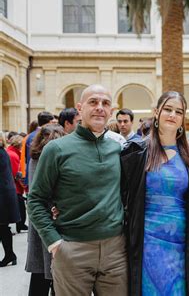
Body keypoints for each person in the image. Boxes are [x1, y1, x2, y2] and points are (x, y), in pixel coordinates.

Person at [28, 84, 127, 295]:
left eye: (105, 103)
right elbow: (36, 199)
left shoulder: (118, 149)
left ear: (111, 111)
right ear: (80, 108)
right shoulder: (56, 149)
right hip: (73, 250)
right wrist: (54, 242)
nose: (100, 107)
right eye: (93, 102)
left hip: (115, 252)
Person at [121, 91, 189, 295]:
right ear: (156, 113)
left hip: (181, 244)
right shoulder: (136, 151)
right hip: (147, 242)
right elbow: (119, 191)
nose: (173, 114)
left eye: (178, 111)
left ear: (183, 119)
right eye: (168, 109)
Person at [25, 124, 66, 296]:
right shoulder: (50, 158)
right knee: (57, 277)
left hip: (39, 224)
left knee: (40, 274)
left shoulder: (34, 158)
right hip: (52, 222)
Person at [0, 131, 21, 267]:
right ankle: (10, 254)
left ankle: (9, 254)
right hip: (5, 192)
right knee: (2, 226)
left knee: (2, 226)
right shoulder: (3, 152)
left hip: (2, 193)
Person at [6, 135, 27, 233]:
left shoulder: (10, 153)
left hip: (13, 186)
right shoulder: (13, 155)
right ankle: (20, 225)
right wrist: (25, 185)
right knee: (20, 208)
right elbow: (16, 174)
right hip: (15, 188)